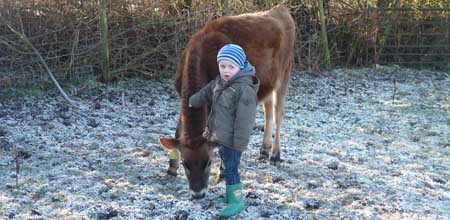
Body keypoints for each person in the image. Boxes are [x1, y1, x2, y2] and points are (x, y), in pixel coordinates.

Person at [189, 44, 259, 217]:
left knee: (231, 170)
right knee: (227, 167)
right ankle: (229, 196)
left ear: (240, 66)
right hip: (221, 138)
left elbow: (245, 120)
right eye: (222, 66)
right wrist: (193, 101)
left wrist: (239, 144)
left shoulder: (245, 90)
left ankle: (236, 201)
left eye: (231, 67)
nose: (226, 70)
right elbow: (206, 93)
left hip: (234, 142)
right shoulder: (220, 83)